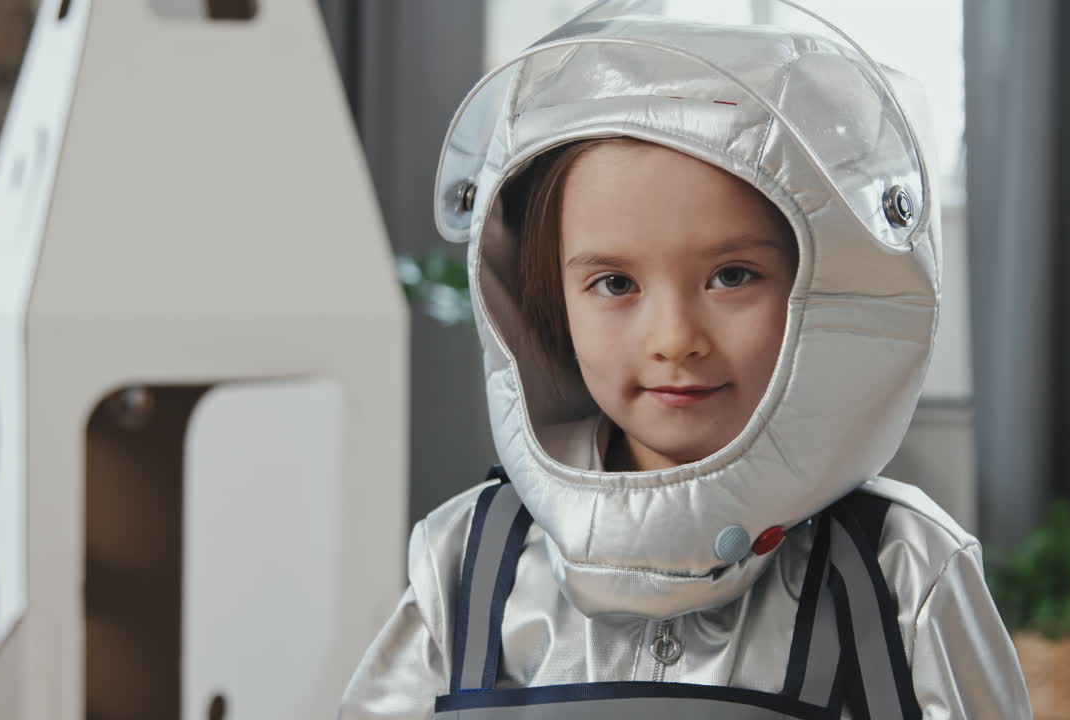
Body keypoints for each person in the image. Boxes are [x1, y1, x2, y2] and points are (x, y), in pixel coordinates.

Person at [341, 2, 1031, 718]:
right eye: (615, 283)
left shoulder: (900, 566)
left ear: (820, 292)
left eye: (732, 276)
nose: (675, 338)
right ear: (547, 303)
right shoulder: (468, 561)